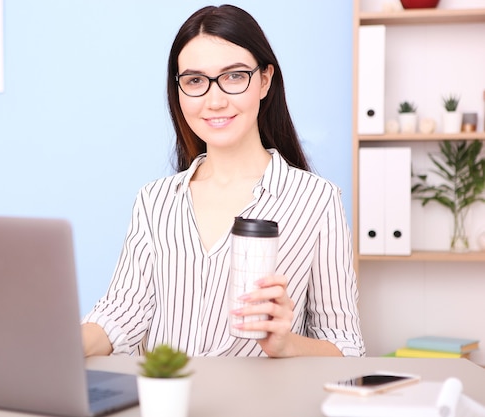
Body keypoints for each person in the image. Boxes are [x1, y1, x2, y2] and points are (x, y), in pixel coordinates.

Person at [81, 4, 365, 358]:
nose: (214, 101)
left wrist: (286, 343)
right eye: (195, 81)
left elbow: (347, 348)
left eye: (233, 76)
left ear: (264, 80)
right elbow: (119, 315)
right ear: (179, 90)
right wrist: (57, 344)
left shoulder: (316, 201)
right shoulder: (155, 200)